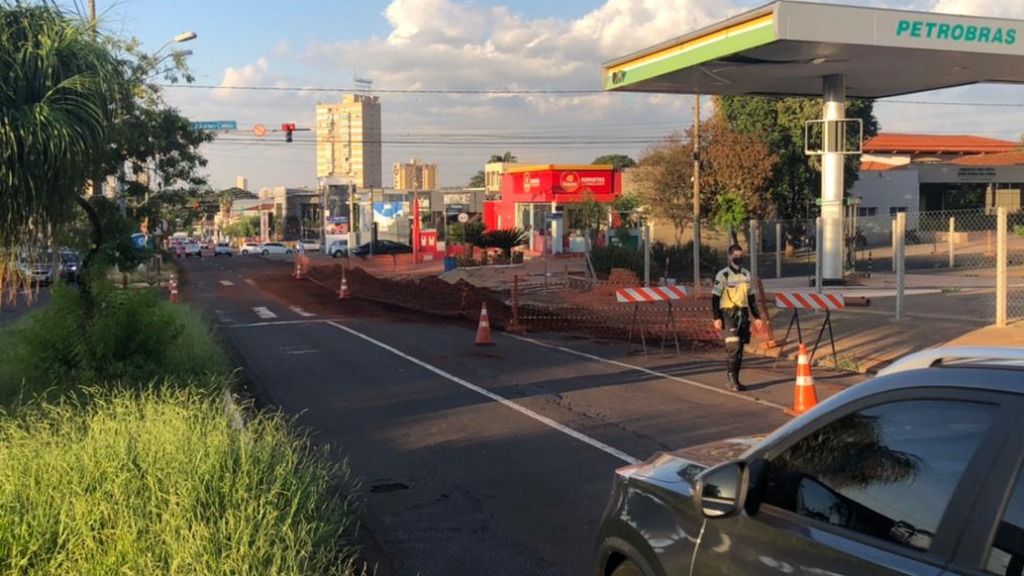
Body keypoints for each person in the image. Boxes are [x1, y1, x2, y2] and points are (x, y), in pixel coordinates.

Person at [712, 244, 764, 391]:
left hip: (743, 313)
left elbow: (751, 297)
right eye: (736, 256)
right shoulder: (723, 275)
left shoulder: (746, 275)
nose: (739, 258)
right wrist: (716, 317)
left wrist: (757, 317)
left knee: (740, 349)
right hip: (728, 314)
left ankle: (736, 379)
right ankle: (730, 378)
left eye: (741, 256)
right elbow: (715, 298)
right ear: (730, 257)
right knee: (733, 347)